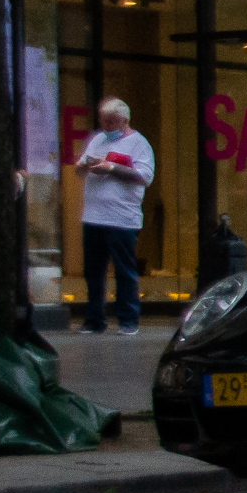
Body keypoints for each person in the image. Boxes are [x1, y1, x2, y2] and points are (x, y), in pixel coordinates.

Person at [72, 97, 153, 334]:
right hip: (94, 216)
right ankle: (94, 320)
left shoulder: (139, 144)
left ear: (125, 120)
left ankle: (128, 320)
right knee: (93, 272)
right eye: (103, 121)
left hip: (121, 219)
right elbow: (80, 166)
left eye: (111, 122)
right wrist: (83, 166)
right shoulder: (97, 139)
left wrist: (111, 168)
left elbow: (144, 176)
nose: (106, 126)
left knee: (124, 271)